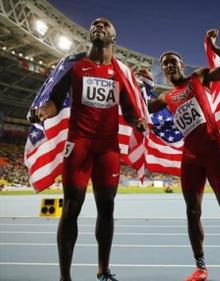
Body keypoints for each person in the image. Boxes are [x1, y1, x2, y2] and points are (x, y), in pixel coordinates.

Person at [33, 18, 147, 281]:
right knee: (71, 207)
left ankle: (103, 271)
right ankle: (65, 277)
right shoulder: (76, 67)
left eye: (105, 24)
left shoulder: (120, 73)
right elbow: (54, 101)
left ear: (113, 37)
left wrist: (137, 122)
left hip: (108, 149)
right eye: (95, 24)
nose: (98, 25)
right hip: (79, 145)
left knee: (107, 208)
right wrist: (43, 112)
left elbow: (130, 111)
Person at [147, 29, 220, 281]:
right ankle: (201, 267)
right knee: (192, 212)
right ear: (163, 71)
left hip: (215, 153)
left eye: (173, 61)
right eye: (165, 64)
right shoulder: (164, 97)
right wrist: (137, 84)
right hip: (191, 157)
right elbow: (138, 109)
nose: (169, 65)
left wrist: (214, 47)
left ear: (182, 65)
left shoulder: (199, 77)